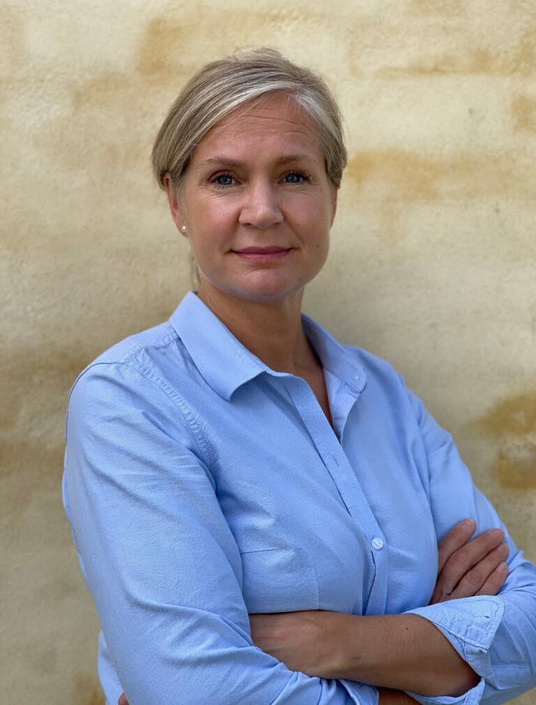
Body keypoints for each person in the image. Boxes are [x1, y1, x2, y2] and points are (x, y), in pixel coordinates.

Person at [63, 48, 536, 705]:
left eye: (293, 175)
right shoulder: (132, 402)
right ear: (176, 200)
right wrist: (429, 656)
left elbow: (528, 622)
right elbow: (199, 692)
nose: (262, 210)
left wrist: (339, 642)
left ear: (331, 196)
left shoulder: (383, 394)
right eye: (225, 179)